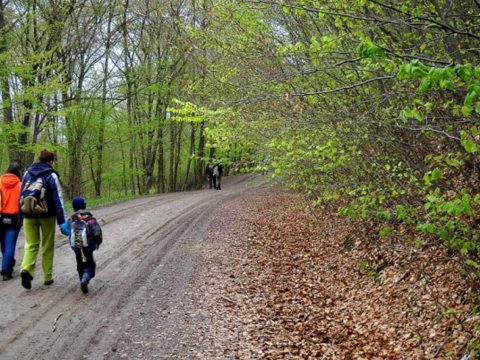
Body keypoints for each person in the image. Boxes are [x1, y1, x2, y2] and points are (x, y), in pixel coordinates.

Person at [19, 149, 69, 290]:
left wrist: (20, 214)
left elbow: (20, 195)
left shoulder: (27, 173)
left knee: (31, 244)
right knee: (47, 245)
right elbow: (58, 199)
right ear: (50, 161)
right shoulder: (51, 175)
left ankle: (26, 269)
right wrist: (62, 221)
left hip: (28, 213)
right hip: (47, 215)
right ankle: (47, 277)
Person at [62, 196, 102, 294]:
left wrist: (70, 234)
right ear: (84, 206)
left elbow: (63, 229)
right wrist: (97, 243)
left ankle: (82, 278)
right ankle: (86, 278)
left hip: (76, 247)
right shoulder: (90, 218)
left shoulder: (72, 219)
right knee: (90, 265)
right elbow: (97, 232)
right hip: (88, 246)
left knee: (80, 264)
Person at [0, 162, 23, 280]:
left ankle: (8, 263)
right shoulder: (20, 185)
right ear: (18, 172)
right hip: (14, 218)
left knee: (3, 244)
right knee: (10, 244)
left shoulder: (0, 182)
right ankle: (5, 270)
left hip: (1, 216)